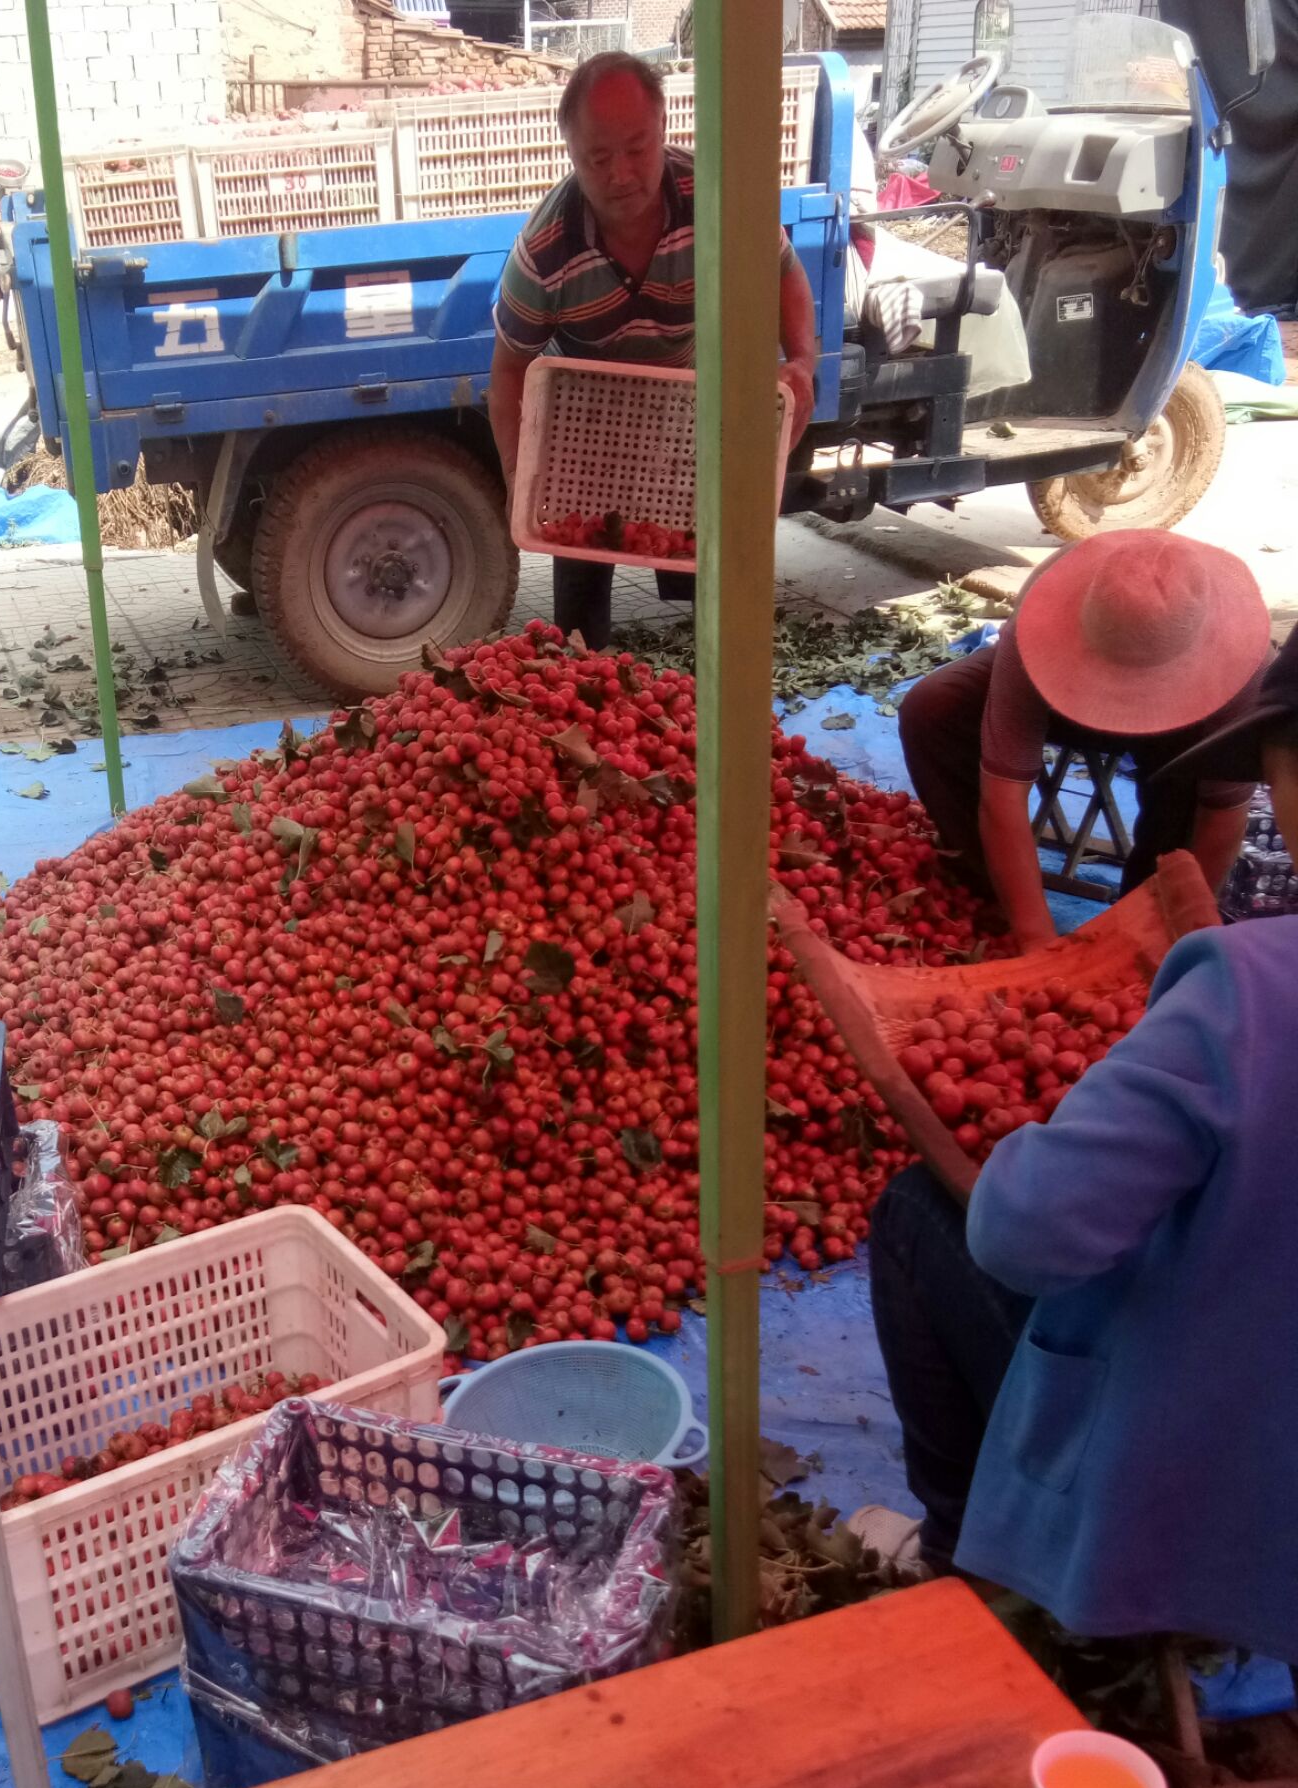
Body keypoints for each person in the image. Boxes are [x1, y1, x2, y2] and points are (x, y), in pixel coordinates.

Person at [869, 622, 1298, 1660]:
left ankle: (965, 1557)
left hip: (1215, 1505)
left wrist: (1034, 1139)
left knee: (918, 1219)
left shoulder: (1245, 993)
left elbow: (1025, 1235)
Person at [489, 49, 818, 651]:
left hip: (688, 416)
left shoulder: (718, 202)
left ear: (664, 127)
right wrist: (521, 481)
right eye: (599, 157)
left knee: (715, 587)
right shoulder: (544, 253)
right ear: (572, 154)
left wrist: (800, 361)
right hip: (588, 433)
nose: (621, 173)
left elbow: (783, 273)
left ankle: (712, 708)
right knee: (579, 628)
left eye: (637, 149)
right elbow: (509, 372)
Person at [897, 532, 1273, 953]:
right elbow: (1003, 794)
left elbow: (1221, 813)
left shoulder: (1243, 667)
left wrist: (1177, 937)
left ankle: (1142, 922)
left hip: (1180, 728)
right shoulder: (1037, 629)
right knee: (932, 707)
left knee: (1186, 783)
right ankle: (986, 893)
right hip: (1057, 692)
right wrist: (1035, 938)